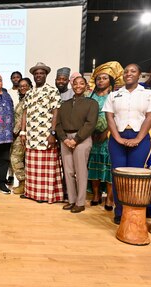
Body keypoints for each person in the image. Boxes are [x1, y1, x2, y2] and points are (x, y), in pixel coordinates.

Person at [103, 63, 151, 224]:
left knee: (136, 176)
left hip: (140, 137)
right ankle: (120, 212)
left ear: (139, 75)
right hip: (117, 137)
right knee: (118, 176)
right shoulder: (114, 95)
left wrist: (138, 138)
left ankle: (134, 212)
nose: (129, 73)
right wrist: (118, 138)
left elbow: (150, 117)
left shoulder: (148, 93)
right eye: (126, 71)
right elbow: (109, 117)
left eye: (133, 71)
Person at [20, 62, 64, 203]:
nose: (39, 76)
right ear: (33, 76)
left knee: (47, 168)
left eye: (42, 74)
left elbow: (56, 111)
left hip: (46, 135)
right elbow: (24, 113)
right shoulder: (29, 93)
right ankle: (32, 193)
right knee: (32, 168)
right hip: (31, 136)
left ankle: (47, 196)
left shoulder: (52, 91)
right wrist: (22, 132)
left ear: (46, 75)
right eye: (36, 74)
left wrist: (52, 132)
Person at [56, 76, 99, 213]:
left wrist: (76, 139)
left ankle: (80, 203)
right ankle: (72, 200)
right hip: (65, 140)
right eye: (75, 84)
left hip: (82, 138)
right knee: (68, 171)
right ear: (72, 85)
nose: (78, 86)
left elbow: (90, 123)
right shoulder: (65, 104)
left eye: (81, 83)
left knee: (80, 171)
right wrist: (64, 139)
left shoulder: (91, 103)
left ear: (86, 86)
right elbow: (58, 124)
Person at [87, 61, 123, 211]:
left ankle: (109, 198)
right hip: (91, 136)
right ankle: (96, 195)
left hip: (109, 136)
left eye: (104, 78)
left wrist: (106, 131)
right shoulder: (90, 96)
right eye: (98, 78)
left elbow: (118, 116)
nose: (101, 81)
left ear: (111, 81)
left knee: (108, 167)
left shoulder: (115, 96)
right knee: (93, 165)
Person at [11, 78, 32, 194]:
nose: (23, 87)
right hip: (20, 133)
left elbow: (22, 119)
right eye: (21, 86)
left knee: (15, 158)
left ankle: (23, 183)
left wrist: (15, 132)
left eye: (25, 85)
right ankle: (22, 184)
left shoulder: (29, 100)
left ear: (30, 86)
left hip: (22, 134)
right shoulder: (22, 100)